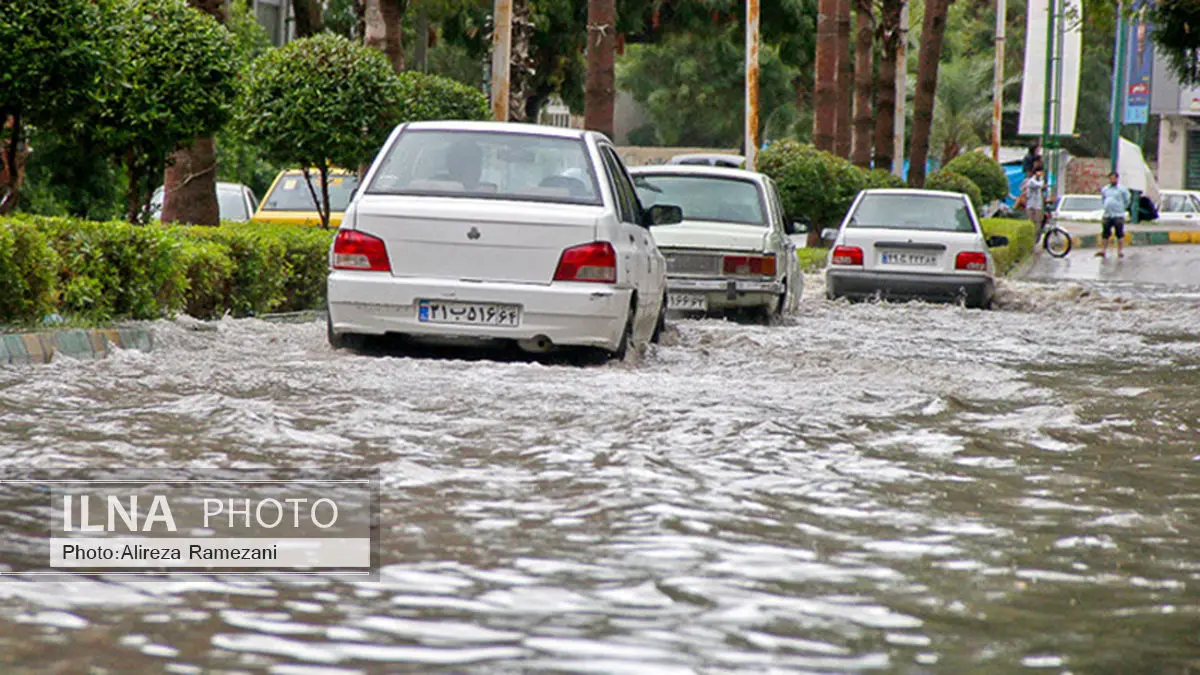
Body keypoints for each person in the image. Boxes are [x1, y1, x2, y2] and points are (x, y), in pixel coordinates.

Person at [1098, 171, 1132, 259]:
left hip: (1118, 214)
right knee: (1105, 233)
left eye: (1114, 178)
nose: (1112, 179)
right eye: (1111, 178)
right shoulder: (1105, 189)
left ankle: (1120, 251)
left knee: (1119, 233)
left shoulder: (1122, 189)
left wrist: (1122, 208)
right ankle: (1103, 250)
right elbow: (1103, 199)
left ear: (1117, 178)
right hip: (1108, 215)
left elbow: (1127, 200)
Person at [1021, 163, 1047, 233]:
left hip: (1038, 206)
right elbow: (1040, 185)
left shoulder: (1037, 181)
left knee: (1038, 223)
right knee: (1031, 223)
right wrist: (1042, 179)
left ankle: (1036, 238)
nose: (1041, 173)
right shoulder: (1031, 181)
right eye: (1040, 172)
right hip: (1031, 206)